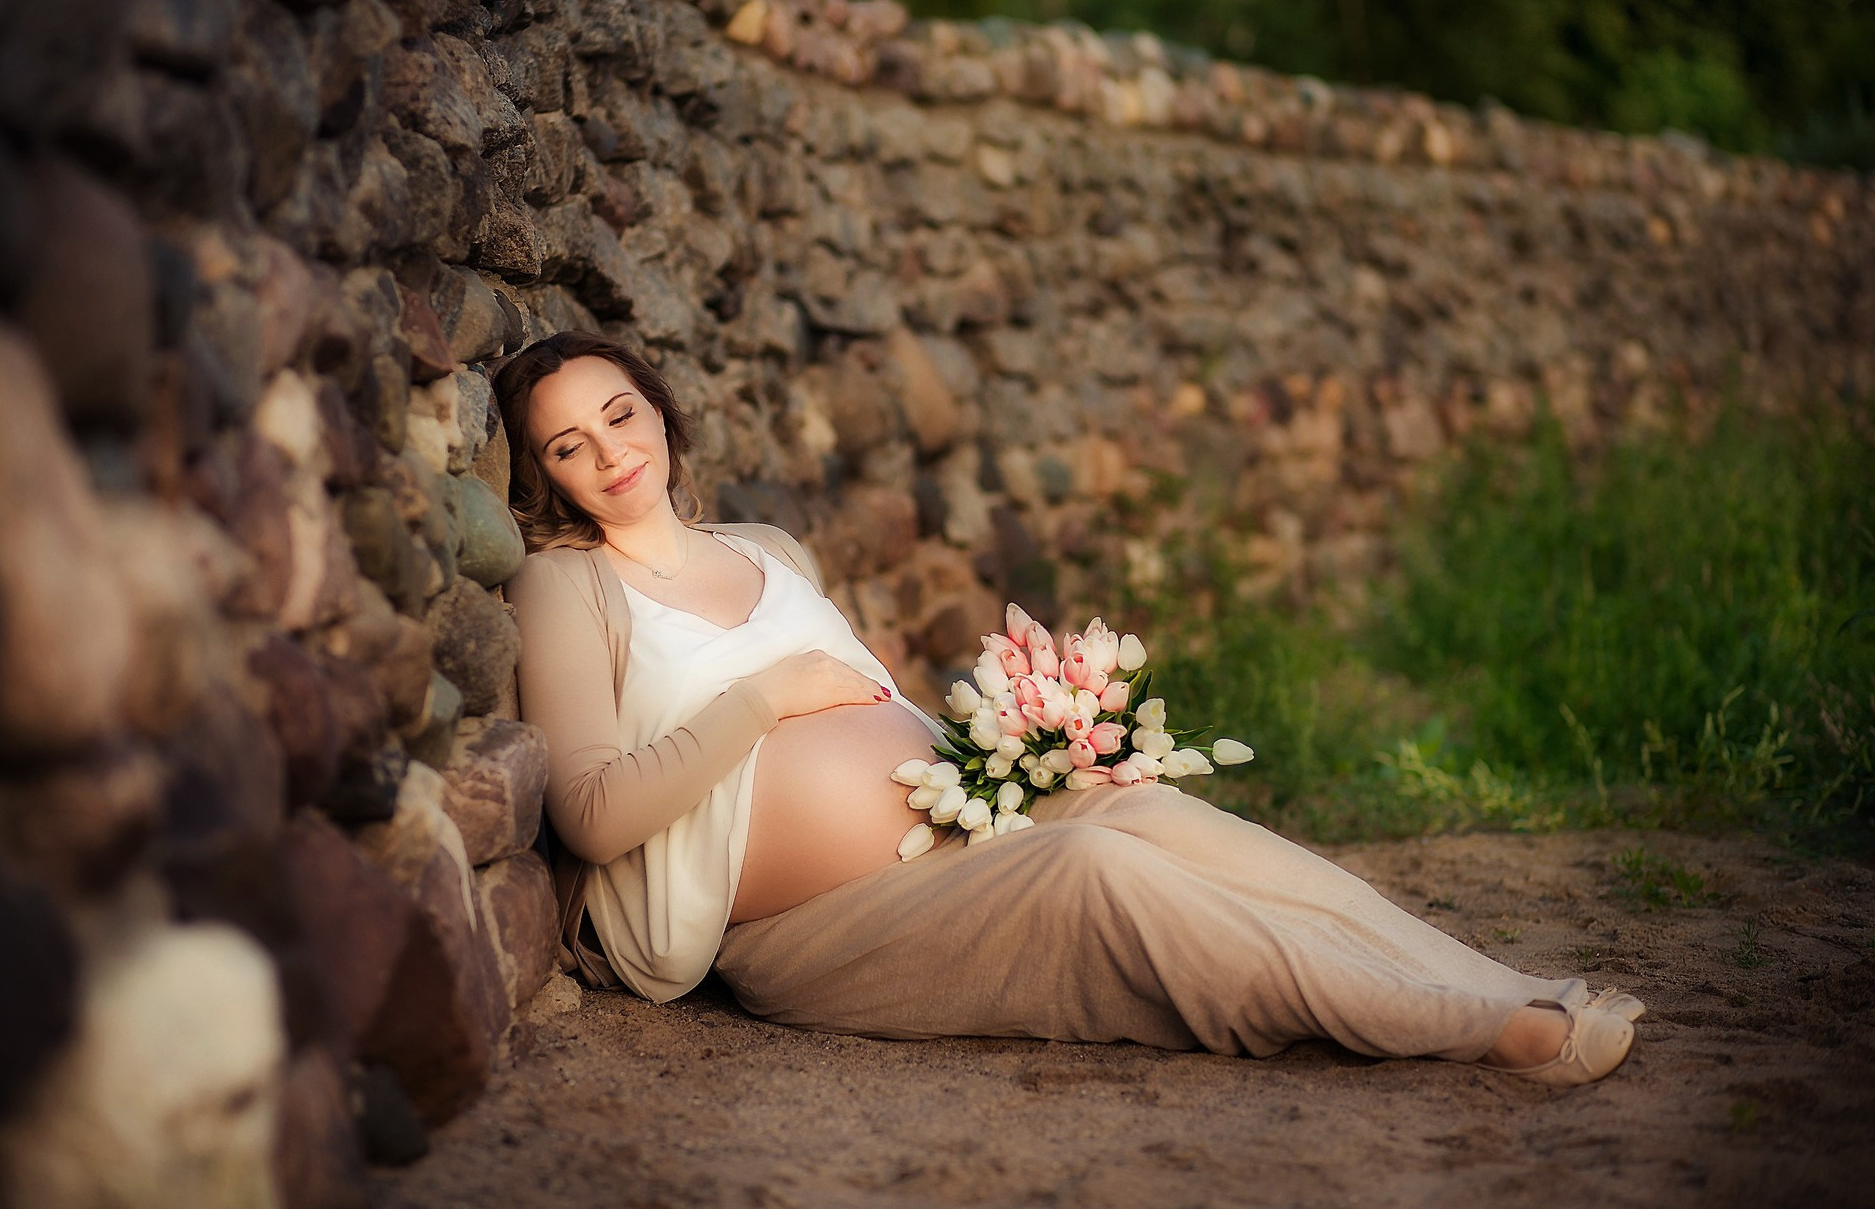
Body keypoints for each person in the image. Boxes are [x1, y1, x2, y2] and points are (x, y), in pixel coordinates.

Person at [494, 331, 1642, 1086]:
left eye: (621, 413)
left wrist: (1032, 750)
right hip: (818, 923)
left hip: (964, 824)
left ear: (661, 412)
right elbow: (592, 815)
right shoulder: (569, 585)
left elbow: (883, 702)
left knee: (1164, 823)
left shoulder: (765, 547)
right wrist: (761, 699)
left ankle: (1491, 982)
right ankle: (1478, 1035)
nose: (609, 452)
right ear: (545, 476)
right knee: (1105, 876)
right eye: (568, 444)